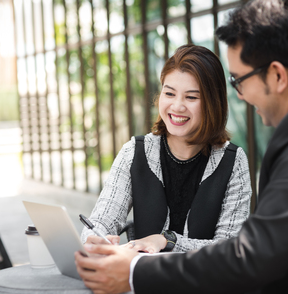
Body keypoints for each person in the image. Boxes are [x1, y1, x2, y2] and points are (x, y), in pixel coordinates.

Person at [75, 0, 288, 293]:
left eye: (239, 80)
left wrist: (134, 271)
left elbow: (250, 256)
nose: (239, 93)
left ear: (278, 75)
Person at [80, 44, 252, 254]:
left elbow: (230, 248)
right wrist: (93, 237)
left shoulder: (233, 161)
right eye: (169, 93)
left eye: (191, 97)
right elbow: (102, 219)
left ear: (212, 103)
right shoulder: (134, 151)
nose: (177, 106)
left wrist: (167, 241)